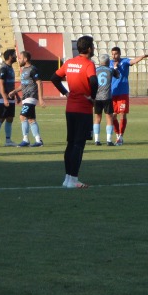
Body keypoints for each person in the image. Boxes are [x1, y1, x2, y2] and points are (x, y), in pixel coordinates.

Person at [53, 35, 99, 188]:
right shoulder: (88, 64)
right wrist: (92, 97)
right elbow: (93, 81)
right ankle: (74, 179)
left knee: (70, 143)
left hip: (70, 108)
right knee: (79, 145)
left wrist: (66, 93)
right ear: (89, 48)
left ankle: (67, 179)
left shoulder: (69, 63)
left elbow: (54, 78)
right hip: (83, 109)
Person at [107, 47, 148, 147]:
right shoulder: (109, 63)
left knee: (122, 114)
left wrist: (142, 57)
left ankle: (121, 136)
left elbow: (133, 61)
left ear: (119, 54)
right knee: (113, 115)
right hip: (112, 93)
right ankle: (117, 134)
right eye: (113, 54)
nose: (114, 56)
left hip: (123, 92)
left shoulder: (124, 62)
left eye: (116, 54)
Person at [0, 48, 18, 148]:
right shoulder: (3, 68)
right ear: (10, 57)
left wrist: (16, 95)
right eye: (14, 55)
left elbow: (11, 84)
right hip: (3, 98)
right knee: (1, 118)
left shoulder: (10, 68)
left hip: (10, 97)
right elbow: (1, 85)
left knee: (10, 119)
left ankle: (8, 140)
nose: (16, 57)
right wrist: (5, 98)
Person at [17, 50, 44, 147]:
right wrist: (14, 91)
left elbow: (39, 82)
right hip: (25, 97)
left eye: (20, 58)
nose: (18, 60)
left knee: (22, 116)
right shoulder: (24, 70)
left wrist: (41, 99)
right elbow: (24, 85)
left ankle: (25, 140)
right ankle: (38, 140)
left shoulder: (33, 69)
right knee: (31, 119)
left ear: (25, 59)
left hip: (31, 96)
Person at [91, 52, 114, 145]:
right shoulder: (111, 70)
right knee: (109, 117)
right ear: (108, 61)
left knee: (97, 117)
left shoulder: (95, 70)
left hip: (97, 97)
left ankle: (97, 140)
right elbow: (118, 75)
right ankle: (109, 140)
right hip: (107, 97)